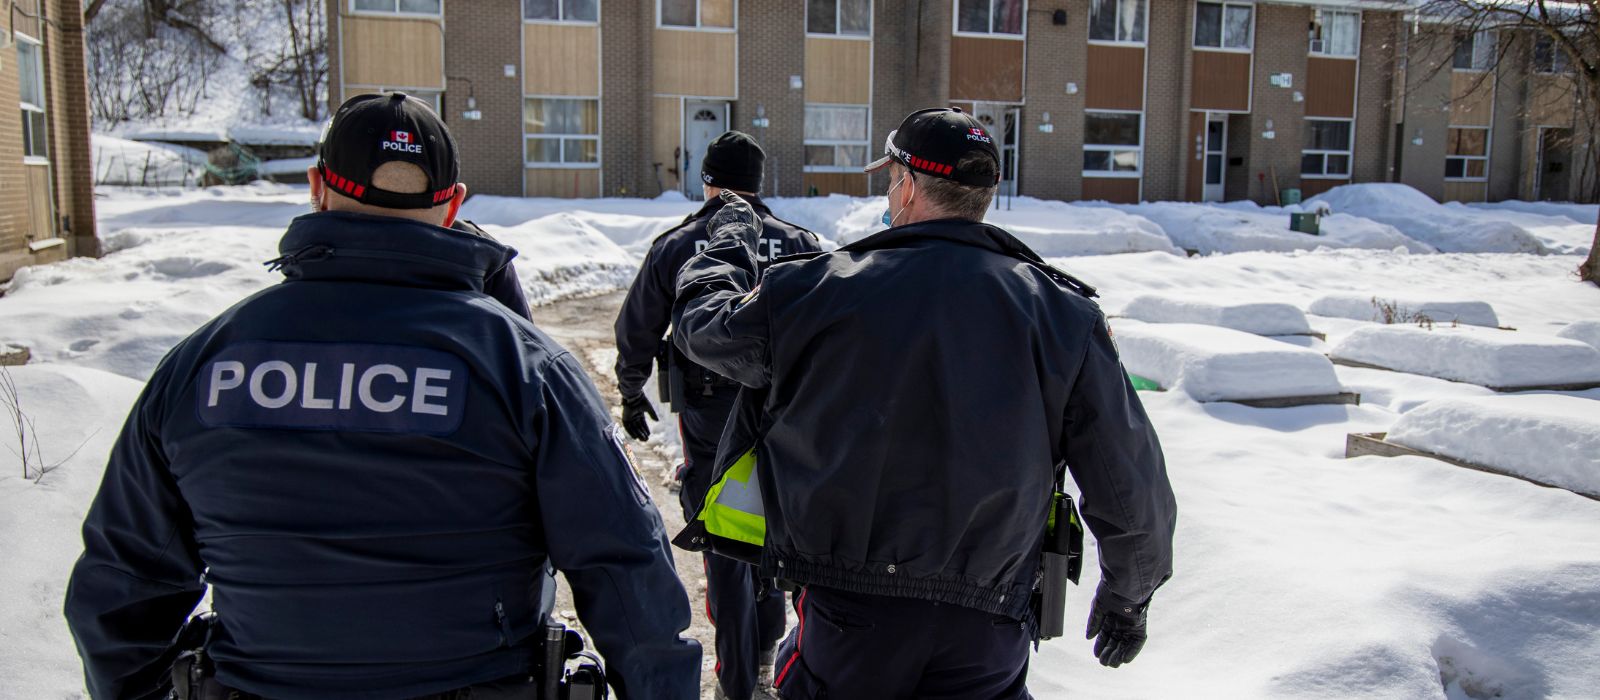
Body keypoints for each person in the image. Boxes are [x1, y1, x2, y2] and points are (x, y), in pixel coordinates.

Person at [63, 92, 701, 700]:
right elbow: (626, 572)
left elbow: (121, 585)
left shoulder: (203, 365)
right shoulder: (525, 366)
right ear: (452, 205)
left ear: (317, 188)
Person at [671, 108, 1178, 698]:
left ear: (908, 185)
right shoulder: (1064, 315)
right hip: (989, 624)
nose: (890, 192)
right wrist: (1128, 597)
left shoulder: (817, 289)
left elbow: (708, 333)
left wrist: (724, 250)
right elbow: (1128, 476)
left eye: (891, 179)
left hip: (850, 618)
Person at [614, 130, 821, 700]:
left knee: (724, 539)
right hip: (785, 414)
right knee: (774, 524)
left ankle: (736, 682)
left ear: (708, 181)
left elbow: (635, 331)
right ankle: (765, 656)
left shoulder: (680, 243)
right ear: (758, 185)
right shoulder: (801, 243)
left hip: (709, 417)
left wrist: (632, 392)